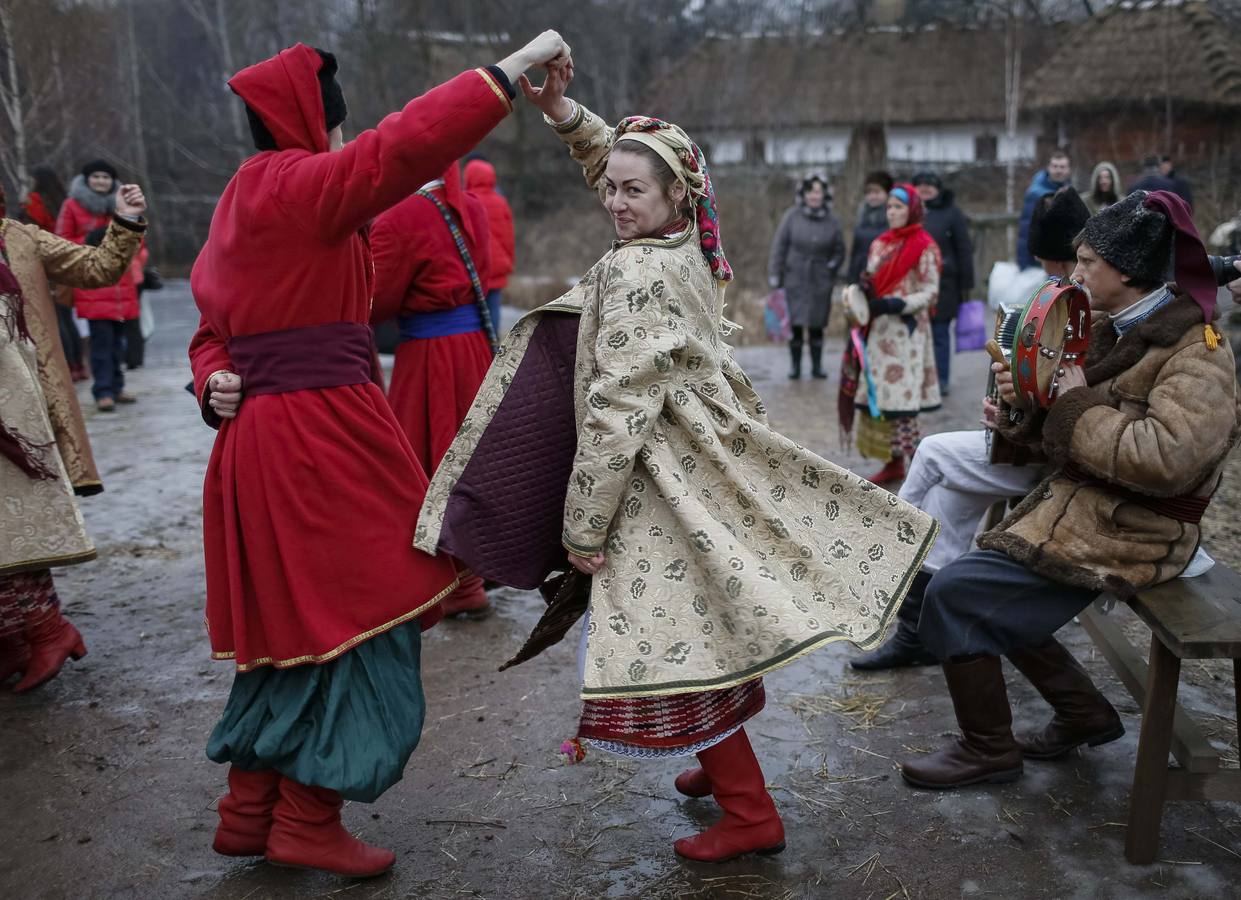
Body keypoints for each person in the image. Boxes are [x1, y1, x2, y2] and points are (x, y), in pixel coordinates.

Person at [415, 64, 937, 863]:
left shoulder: (633, 273)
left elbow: (617, 411)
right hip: (700, 454)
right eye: (611, 189)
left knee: (671, 636)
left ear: (672, 198)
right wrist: (566, 116)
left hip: (657, 480)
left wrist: (584, 527)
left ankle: (748, 808)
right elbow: (630, 162)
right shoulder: (685, 238)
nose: (615, 203)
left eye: (632, 194)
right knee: (701, 615)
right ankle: (716, 763)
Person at [188, 34, 571, 878]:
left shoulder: (243, 196)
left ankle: (251, 809)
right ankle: (309, 818)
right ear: (312, 119)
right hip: (314, 444)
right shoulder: (295, 186)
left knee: (294, 627)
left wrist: (214, 375)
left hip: (272, 441)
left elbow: (211, 325)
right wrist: (508, 71)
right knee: (369, 619)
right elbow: (401, 146)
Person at [901, 190, 1237, 790]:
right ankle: (1084, 712)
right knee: (975, 594)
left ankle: (989, 750)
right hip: (1087, 509)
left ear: (1128, 271)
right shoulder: (1109, 329)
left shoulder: (1199, 353)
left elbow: (1166, 461)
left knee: (952, 594)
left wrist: (1071, 401)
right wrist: (1015, 404)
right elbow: (1058, 429)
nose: (1073, 272)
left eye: (1086, 262)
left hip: (1138, 530)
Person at [852, 187, 1090, 671]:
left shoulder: (1087, 312)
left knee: (933, 453)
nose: (1054, 274)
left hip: (1055, 464)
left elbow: (1072, 401)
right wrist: (1009, 404)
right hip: (1036, 449)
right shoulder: (1068, 298)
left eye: (1062, 264)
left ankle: (883, 554)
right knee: (945, 501)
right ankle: (915, 631)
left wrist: (1013, 412)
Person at [0, 181, 147, 691]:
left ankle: (46, 629)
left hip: (19, 415)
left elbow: (97, 267)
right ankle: (15, 636)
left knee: (22, 525)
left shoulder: (18, 237)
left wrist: (124, 221)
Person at [370, 161, 495, 618]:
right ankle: (473, 575)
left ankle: (455, 586)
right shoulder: (473, 207)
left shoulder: (400, 216)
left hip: (430, 358)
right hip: (474, 349)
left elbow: (376, 300)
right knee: (472, 459)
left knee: (428, 463)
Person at [843, 184, 941, 486]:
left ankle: (917, 462)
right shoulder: (880, 244)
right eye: (889, 207)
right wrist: (863, 291)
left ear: (911, 209)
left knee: (904, 400)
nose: (892, 212)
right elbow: (873, 279)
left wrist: (900, 303)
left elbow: (930, 291)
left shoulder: (925, 246)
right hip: (878, 331)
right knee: (882, 398)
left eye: (898, 207)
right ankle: (893, 462)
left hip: (906, 333)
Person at [57, 159, 141, 411]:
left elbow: (138, 243)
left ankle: (117, 386)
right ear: (86, 180)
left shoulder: (121, 205)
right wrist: (89, 240)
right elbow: (61, 242)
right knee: (100, 342)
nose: (101, 181)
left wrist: (140, 270)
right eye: (96, 177)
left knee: (118, 342)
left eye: (106, 177)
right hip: (93, 282)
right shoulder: (72, 205)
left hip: (122, 284)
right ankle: (102, 391)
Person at [768, 174, 844, 379]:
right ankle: (795, 367)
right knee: (796, 326)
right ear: (804, 194)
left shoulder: (832, 220)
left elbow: (839, 249)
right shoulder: (791, 217)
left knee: (817, 325)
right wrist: (775, 273)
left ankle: (817, 367)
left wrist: (831, 266)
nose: (814, 196)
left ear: (824, 194)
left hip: (821, 280)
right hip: (795, 279)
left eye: (818, 191)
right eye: (811, 191)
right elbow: (779, 247)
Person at [21, 166, 85, 382]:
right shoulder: (65, 201)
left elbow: (28, 230)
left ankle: (68, 366)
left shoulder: (34, 202)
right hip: (65, 261)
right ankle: (78, 364)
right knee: (67, 317)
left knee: (56, 319)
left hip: (44, 263)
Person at [913, 171, 974, 397]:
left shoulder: (952, 213)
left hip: (945, 284)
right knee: (916, 334)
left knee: (939, 333)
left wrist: (966, 284)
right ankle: (918, 377)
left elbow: (964, 249)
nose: (925, 189)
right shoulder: (910, 212)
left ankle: (941, 379)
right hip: (914, 285)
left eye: (930, 185)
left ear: (938, 188)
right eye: (920, 185)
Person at [464, 158, 515, 331]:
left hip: (475, 268)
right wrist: (509, 260)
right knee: (493, 312)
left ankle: (477, 352)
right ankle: (493, 352)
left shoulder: (465, 202)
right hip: (497, 267)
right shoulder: (500, 201)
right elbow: (508, 236)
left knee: (472, 314)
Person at [1016, 150, 1071, 269]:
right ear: (1048, 168)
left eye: (1062, 167)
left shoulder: (1069, 192)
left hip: (1061, 259)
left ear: (1068, 169)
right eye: (1055, 166)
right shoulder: (1036, 194)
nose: (1058, 170)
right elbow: (1026, 230)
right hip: (1038, 260)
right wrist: (1023, 264)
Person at [846, 171, 894, 285]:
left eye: (877, 192)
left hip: (883, 276)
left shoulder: (893, 216)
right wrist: (851, 279)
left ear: (887, 193)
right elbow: (855, 252)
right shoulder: (861, 215)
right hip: (860, 275)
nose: (872, 196)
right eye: (869, 192)